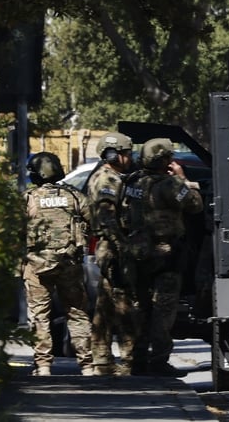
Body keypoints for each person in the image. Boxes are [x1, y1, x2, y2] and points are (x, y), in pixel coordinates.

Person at [121, 138, 203, 377]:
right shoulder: (170, 185)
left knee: (141, 308)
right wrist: (182, 178)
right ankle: (158, 361)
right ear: (164, 160)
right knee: (163, 310)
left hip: (137, 254)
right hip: (165, 254)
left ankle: (136, 359)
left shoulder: (132, 182)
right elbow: (195, 205)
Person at [22, 152, 93, 376]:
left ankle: (43, 365)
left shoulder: (28, 198)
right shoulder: (74, 196)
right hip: (69, 263)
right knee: (77, 313)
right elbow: (96, 221)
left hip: (37, 266)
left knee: (40, 315)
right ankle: (87, 365)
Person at [87, 132, 139, 376]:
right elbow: (107, 217)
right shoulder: (109, 179)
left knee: (105, 305)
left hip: (109, 246)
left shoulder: (109, 176)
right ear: (114, 155)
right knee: (123, 305)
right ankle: (129, 361)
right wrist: (123, 247)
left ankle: (102, 361)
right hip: (114, 247)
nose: (130, 158)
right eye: (127, 153)